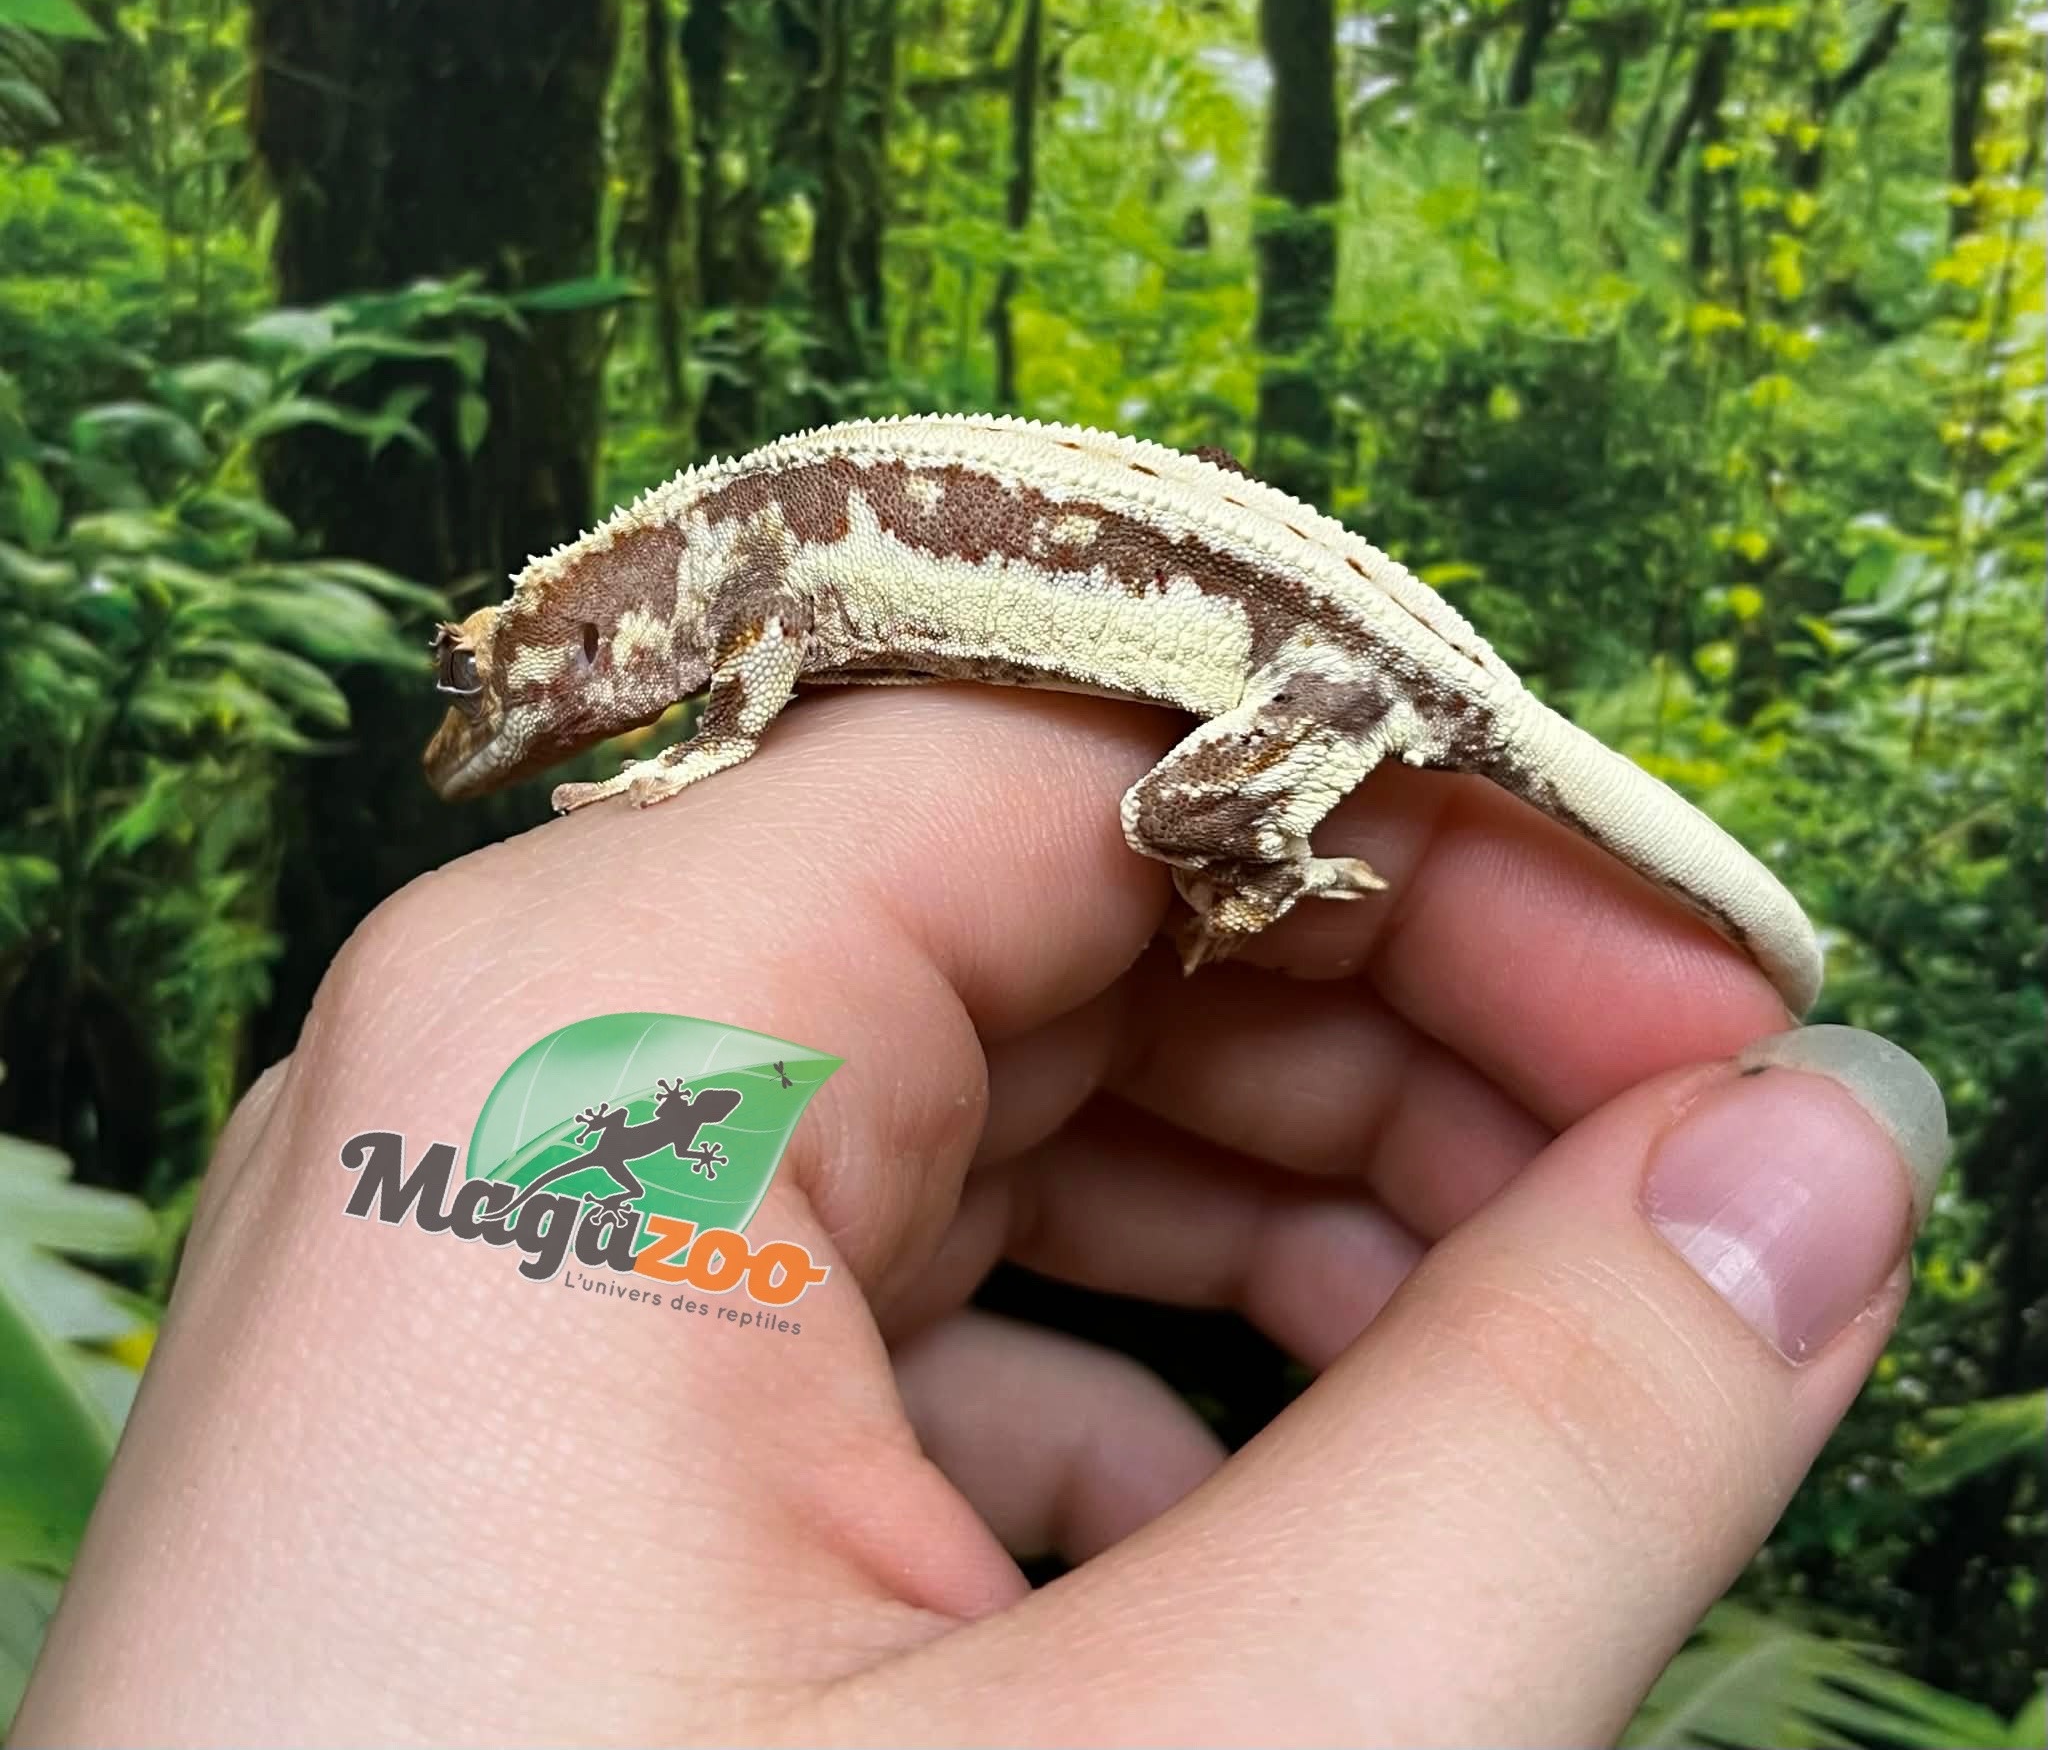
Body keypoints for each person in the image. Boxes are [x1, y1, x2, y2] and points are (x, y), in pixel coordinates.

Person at [13, 685, 1945, 1745]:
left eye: (506, 687)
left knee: (1198, 840)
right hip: (1284, 669)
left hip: (1311, 662)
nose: (488, 734)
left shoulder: (730, 610)